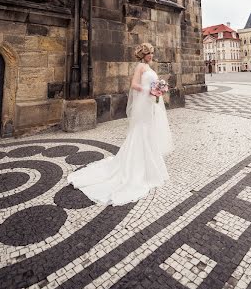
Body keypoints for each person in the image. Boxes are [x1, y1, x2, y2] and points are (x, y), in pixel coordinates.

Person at [67, 43, 173, 206]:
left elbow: (153, 83)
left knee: (149, 131)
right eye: (148, 53)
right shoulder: (140, 67)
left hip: (150, 104)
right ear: (142, 55)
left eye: (152, 53)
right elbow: (134, 85)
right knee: (141, 131)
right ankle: (137, 166)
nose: (151, 55)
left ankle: (150, 162)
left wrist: (159, 88)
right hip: (144, 102)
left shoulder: (150, 68)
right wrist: (149, 90)